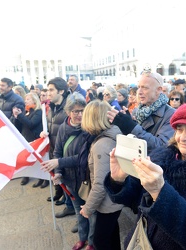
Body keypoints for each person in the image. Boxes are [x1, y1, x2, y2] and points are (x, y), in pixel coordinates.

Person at [105, 101, 186, 249]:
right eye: (179, 129)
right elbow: (134, 201)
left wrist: (160, 192)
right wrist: (119, 180)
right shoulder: (162, 160)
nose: (182, 137)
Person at [41, 93, 94, 250]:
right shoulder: (64, 127)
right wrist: (58, 172)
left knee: (90, 212)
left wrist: (59, 163)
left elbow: (85, 157)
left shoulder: (90, 128)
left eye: (82, 110)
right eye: (75, 111)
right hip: (70, 179)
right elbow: (57, 152)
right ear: (68, 112)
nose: (79, 114)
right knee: (78, 211)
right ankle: (82, 239)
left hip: (86, 178)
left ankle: (91, 242)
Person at [80, 100, 123, 250]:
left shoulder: (102, 144)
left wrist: (87, 208)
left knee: (100, 240)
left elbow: (100, 184)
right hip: (113, 200)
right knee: (112, 234)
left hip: (107, 203)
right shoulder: (111, 136)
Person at [108, 70, 175, 153]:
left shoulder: (171, 115)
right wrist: (125, 127)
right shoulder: (138, 111)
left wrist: (132, 127)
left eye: (145, 88)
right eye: (139, 87)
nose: (139, 92)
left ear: (159, 90)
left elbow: (162, 147)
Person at [45, 77, 72, 211]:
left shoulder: (68, 107)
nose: (48, 93)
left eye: (51, 90)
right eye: (48, 90)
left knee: (68, 182)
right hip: (55, 149)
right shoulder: (51, 108)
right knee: (61, 179)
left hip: (66, 151)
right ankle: (66, 202)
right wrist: (44, 133)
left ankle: (71, 207)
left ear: (61, 91)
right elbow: (51, 127)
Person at [12, 92, 43, 185]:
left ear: (34, 100)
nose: (25, 101)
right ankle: (26, 176)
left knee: (36, 160)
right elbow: (19, 126)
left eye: (28, 99)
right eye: (25, 100)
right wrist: (16, 117)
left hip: (34, 139)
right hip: (25, 139)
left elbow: (31, 124)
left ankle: (41, 178)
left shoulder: (38, 112)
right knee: (26, 159)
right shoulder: (26, 112)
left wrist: (20, 115)